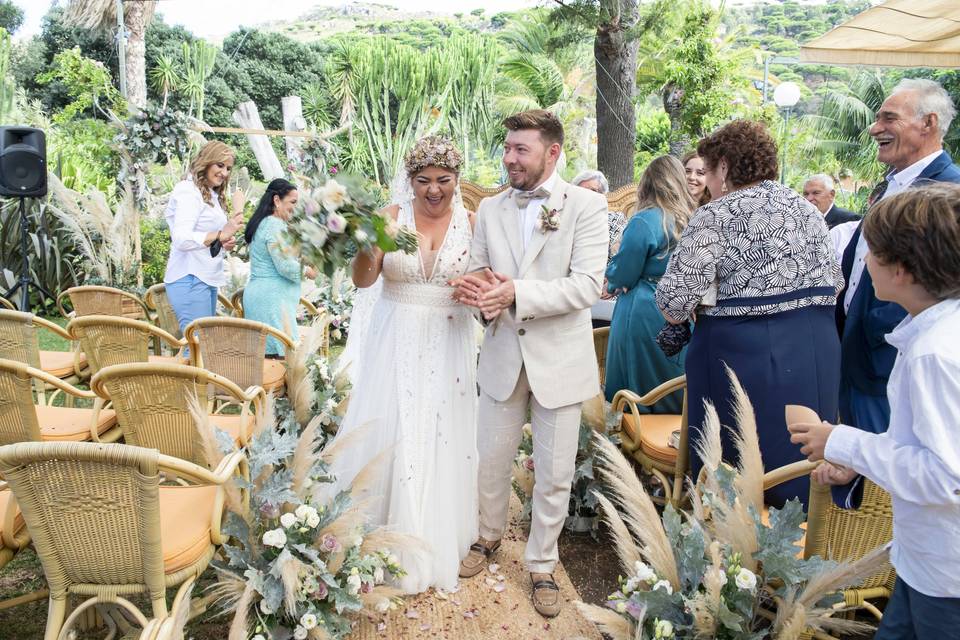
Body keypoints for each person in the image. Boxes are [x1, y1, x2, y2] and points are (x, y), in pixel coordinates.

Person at [452, 109, 608, 618]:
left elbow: (587, 285)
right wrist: (480, 292)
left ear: (553, 152)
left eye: (521, 149)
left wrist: (514, 291)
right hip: (500, 354)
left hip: (559, 361)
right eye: (507, 147)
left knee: (555, 472)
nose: (509, 157)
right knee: (490, 461)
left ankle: (542, 564)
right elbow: (477, 271)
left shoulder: (586, 205)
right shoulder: (492, 209)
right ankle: (487, 537)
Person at [789, 183, 960, 639]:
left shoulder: (934, 354)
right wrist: (856, 462)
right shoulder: (930, 335)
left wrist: (839, 441)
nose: (864, 261)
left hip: (945, 575)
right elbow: (919, 445)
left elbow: (946, 477)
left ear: (902, 269)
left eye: (873, 251)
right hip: (922, 559)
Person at [655, 120, 842, 509]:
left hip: (741, 353)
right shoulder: (807, 211)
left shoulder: (715, 216)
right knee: (800, 454)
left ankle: (732, 552)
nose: (706, 183)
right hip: (814, 350)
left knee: (736, 460)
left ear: (723, 166)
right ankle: (796, 546)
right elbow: (834, 282)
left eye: (707, 171)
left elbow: (673, 303)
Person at [323, 136, 478, 595]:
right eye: (423, 181)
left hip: (449, 338)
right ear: (409, 180)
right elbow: (363, 279)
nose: (433, 190)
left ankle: (433, 534)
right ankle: (378, 533)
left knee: (441, 430)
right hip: (395, 337)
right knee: (393, 429)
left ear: (457, 180)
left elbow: (486, 277)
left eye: (443, 181)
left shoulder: (473, 221)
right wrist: (368, 246)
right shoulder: (389, 218)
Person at [836, 79, 960, 442]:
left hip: (893, 357)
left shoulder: (948, 190)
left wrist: (880, 331)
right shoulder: (893, 182)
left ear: (928, 123)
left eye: (889, 118)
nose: (875, 129)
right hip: (858, 353)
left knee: (889, 475)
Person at [603, 155, 693, 409]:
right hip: (678, 305)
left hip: (643, 307)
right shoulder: (690, 219)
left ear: (647, 184)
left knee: (636, 375)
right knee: (670, 374)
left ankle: (636, 430)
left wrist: (612, 280)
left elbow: (624, 273)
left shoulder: (645, 219)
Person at [163, 140, 245, 349]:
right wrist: (220, 232)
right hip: (189, 278)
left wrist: (221, 241)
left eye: (228, 168)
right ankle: (179, 383)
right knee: (196, 348)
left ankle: (195, 382)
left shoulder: (210, 194)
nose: (224, 173)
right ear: (206, 162)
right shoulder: (188, 191)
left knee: (203, 346)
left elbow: (205, 237)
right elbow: (181, 238)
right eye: (220, 165)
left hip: (205, 277)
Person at [242, 178, 317, 357]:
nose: (295, 207)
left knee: (266, 359)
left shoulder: (266, 223)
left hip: (266, 299)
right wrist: (309, 271)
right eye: (292, 202)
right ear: (276, 200)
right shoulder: (274, 225)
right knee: (282, 359)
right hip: (271, 303)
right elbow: (284, 266)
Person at [572, 169, 622, 327]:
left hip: (605, 289)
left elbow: (622, 257)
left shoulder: (614, 220)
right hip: (572, 288)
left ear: (603, 196)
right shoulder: (565, 223)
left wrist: (610, 281)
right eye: (581, 191)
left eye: (593, 191)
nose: (587, 196)